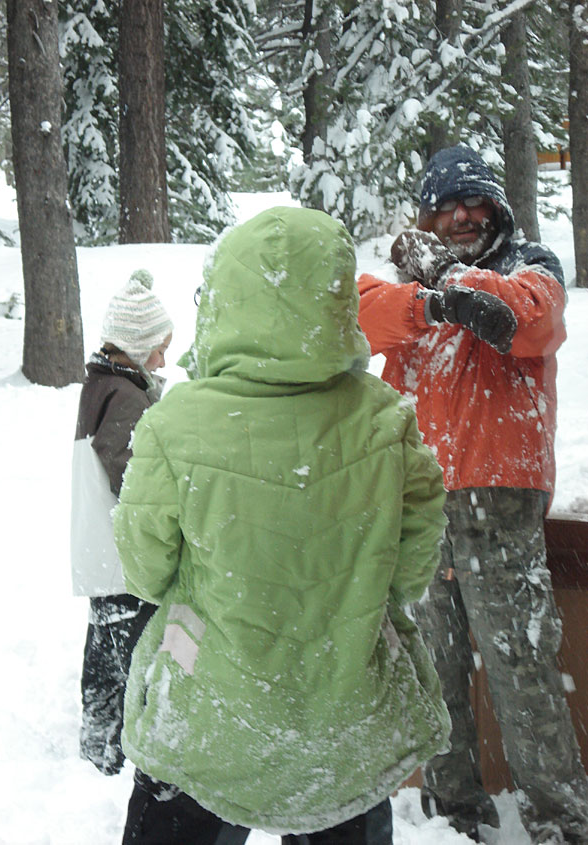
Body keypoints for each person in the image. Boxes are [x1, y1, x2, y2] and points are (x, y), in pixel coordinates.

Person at [112, 206, 451, 844]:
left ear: (224, 300)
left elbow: (144, 568)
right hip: (347, 720)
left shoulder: (174, 424)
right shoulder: (385, 421)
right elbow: (409, 571)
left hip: (210, 712)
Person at [358, 143, 588, 844]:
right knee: (434, 661)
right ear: (427, 213)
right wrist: (432, 299)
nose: (462, 213)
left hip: (500, 499)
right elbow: (359, 315)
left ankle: (561, 817)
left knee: (520, 666)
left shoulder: (530, 266)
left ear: (499, 208)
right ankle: (453, 808)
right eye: (446, 203)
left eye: (475, 200)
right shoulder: (406, 289)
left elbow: (526, 319)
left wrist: (456, 281)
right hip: (420, 499)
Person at [70, 268, 173, 776]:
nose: (163, 359)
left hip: (101, 545)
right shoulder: (126, 396)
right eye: (158, 348)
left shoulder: (103, 384)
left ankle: (100, 738)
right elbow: (128, 471)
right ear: (134, 346)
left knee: (107, 641)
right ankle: (111, 742)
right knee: (124, 650)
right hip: (119, 548)